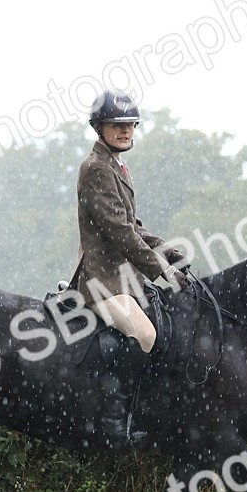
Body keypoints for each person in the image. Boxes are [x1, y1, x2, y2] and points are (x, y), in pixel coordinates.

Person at [69, 89, 190, 444]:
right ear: (99, 126)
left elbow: (133, 224)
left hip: (125, 277)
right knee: (146, 334)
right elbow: (119, 232)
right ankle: (113, 420)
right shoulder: (95, 168)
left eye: (130, 124)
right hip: (101, 280)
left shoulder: (117, 164)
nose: (125, 131)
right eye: (117, 125)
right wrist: (160, 270)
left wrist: (168, 252)